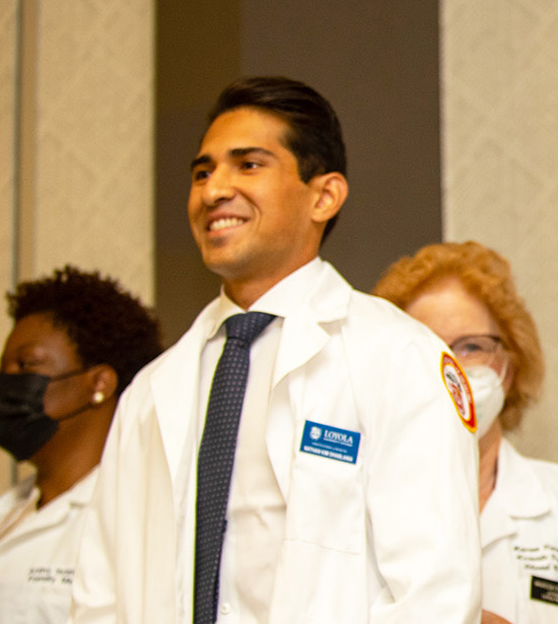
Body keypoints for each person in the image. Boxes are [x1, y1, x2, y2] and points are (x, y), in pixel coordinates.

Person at [71, 77, 482, 622]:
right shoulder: (152, 392)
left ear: (324, 195)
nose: (214, 190)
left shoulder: (399, 358)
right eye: (202, 171)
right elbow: (100, 597)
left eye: (248, 165)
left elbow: (434, 596)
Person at [375, 242, 558, 624]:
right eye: (425, 346)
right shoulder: (356, 503)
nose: (450, 369)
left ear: (508, 367)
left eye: (471, 347)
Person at [0, 266, 161, 624]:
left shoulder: (136, 519)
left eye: (26, 365)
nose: (6, 384)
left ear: (98, 383)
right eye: (3, 371)